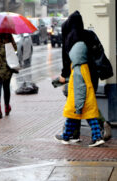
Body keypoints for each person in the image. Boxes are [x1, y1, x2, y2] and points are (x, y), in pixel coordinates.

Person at [54, 16, 105, 147]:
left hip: (79, 88)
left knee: (80, 110)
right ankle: (70, 136)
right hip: (90, 77)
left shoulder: (75, 47)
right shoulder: (88, 36)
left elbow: (78, 80)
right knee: (82, 111)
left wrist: (79, 102)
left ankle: (79, 135)